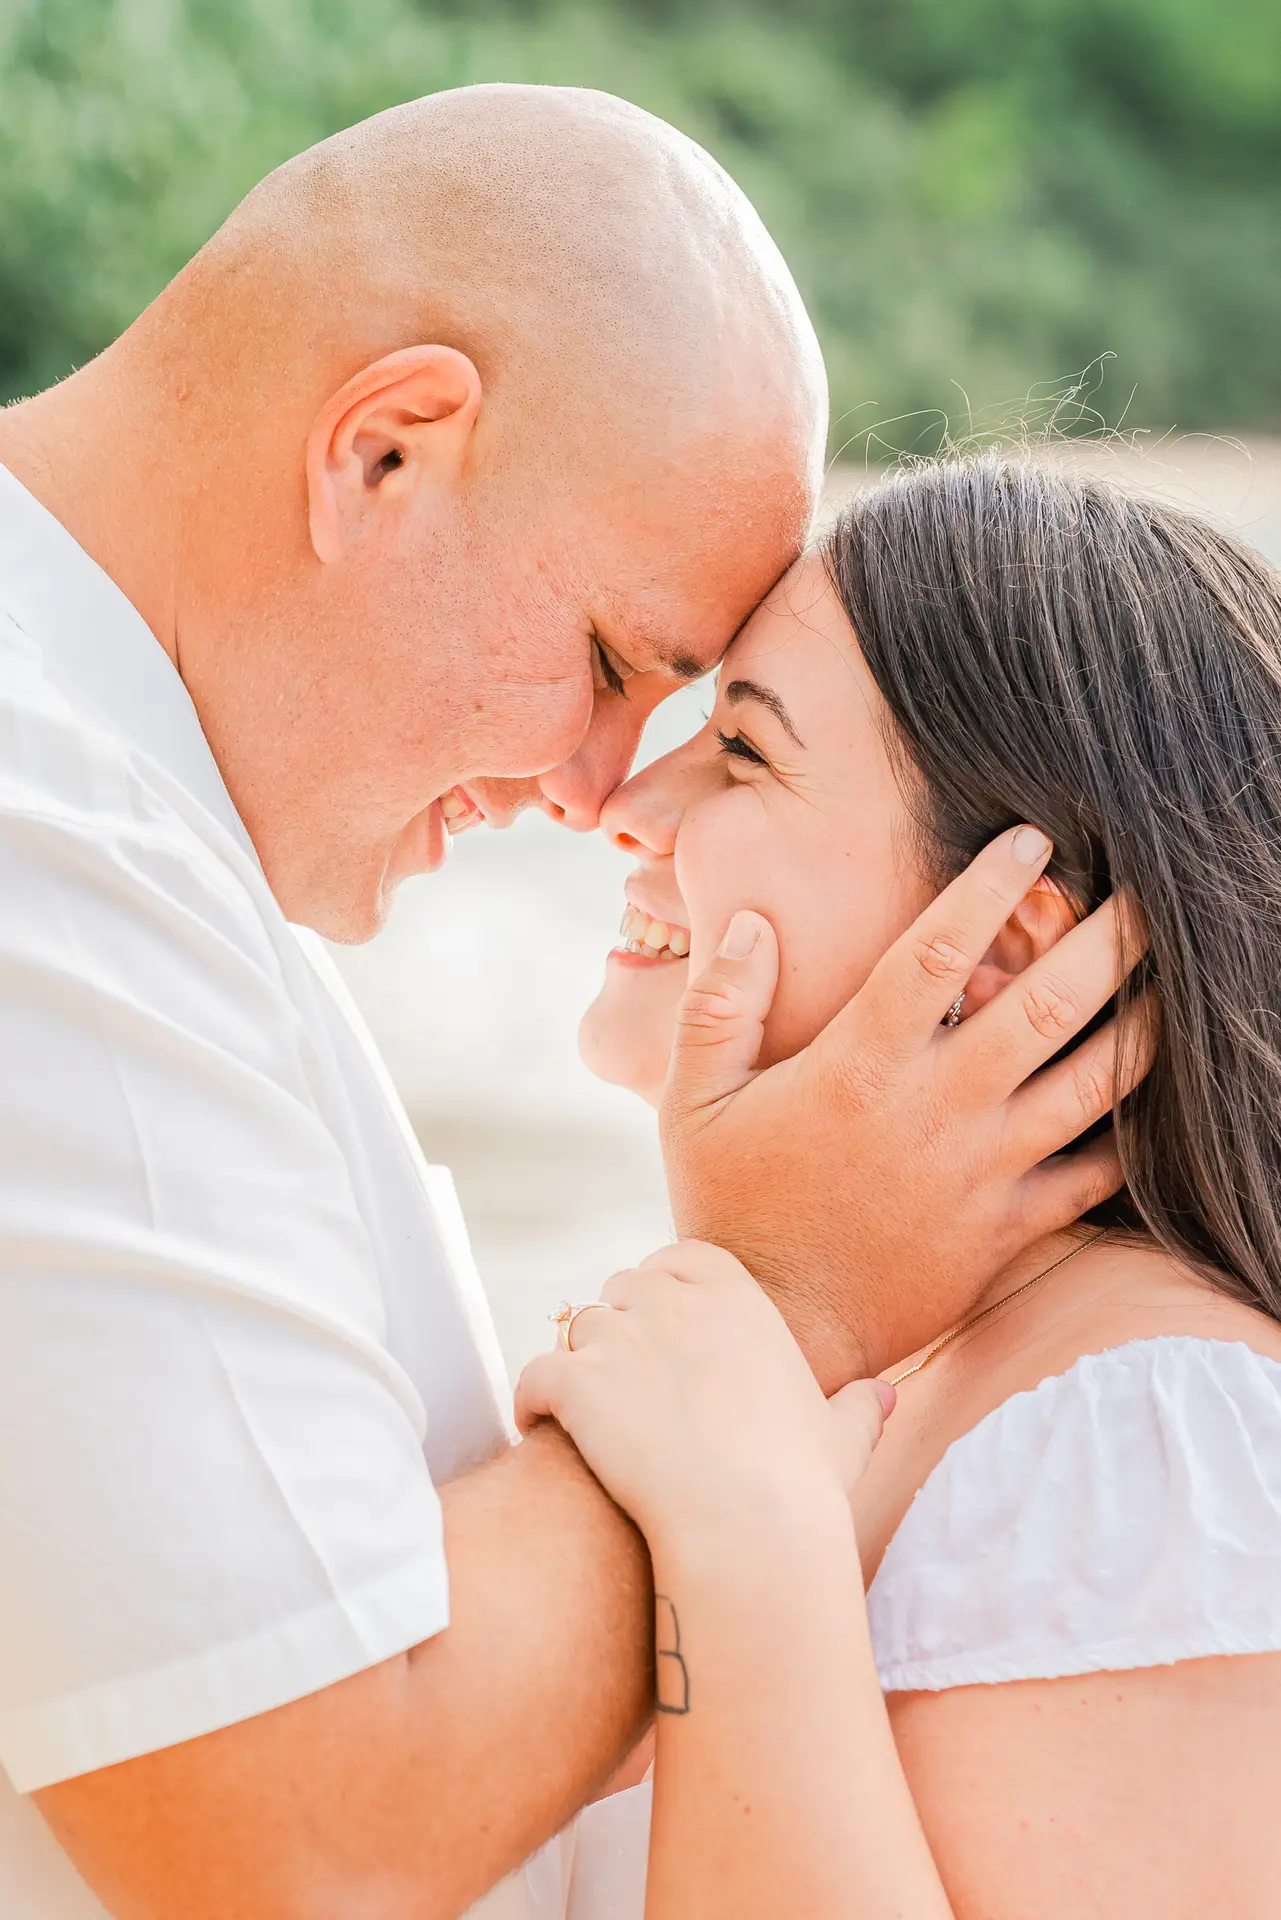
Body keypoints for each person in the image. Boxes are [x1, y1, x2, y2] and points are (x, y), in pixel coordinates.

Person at [0, 87, 1127, 1920]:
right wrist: (794, 1298)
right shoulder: (41, 829)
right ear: (385, 452)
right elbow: (301, 1845)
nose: (608, 793)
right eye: (613, 664)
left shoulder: (131, 809)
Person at [524, 452, 1281, 1919]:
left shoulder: (1146, 1447)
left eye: (742, 752)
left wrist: (747, 1536)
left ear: (1008, 949)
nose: (623, 805)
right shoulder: (910, 1386)